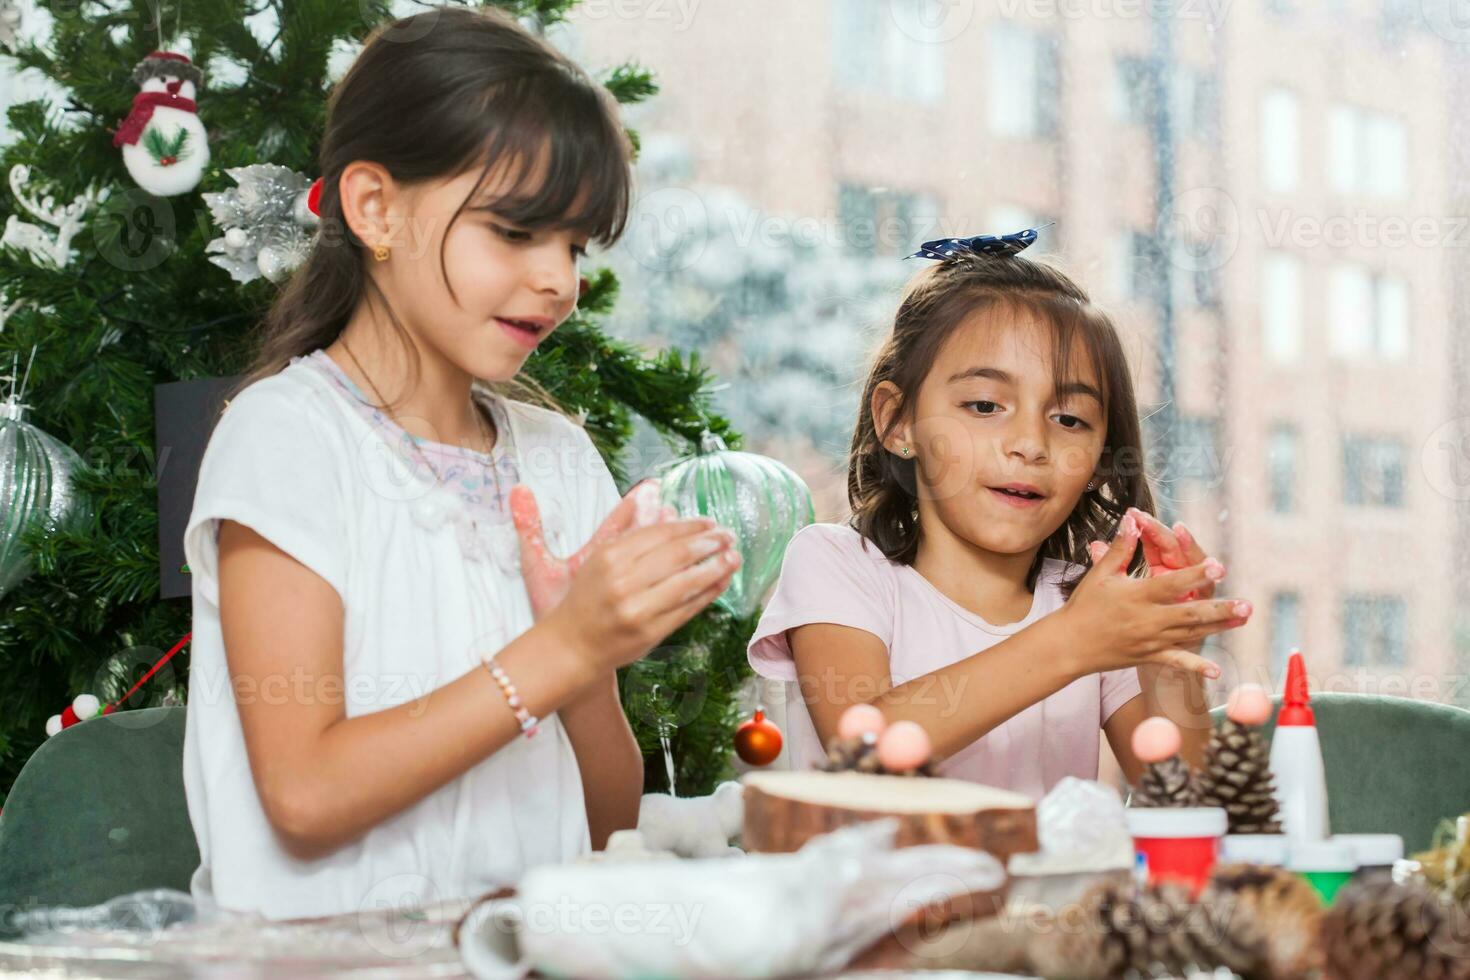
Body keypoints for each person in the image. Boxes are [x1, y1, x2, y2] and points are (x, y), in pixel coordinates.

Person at [182, 6, 740, 919]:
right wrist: (557, 651)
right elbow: (305, 798)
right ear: (374, 208)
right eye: (517, 233)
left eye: (575, 244)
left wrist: (590, 669)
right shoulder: (286, 438)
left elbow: (603, 824)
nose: (560, 279)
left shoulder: (556, 464)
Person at [748, 230, 1251, 799]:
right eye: (985, 406)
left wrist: (1167, 660)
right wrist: (1074, 642)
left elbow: (1185, 808)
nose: (1030, 443)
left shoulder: (1087, 606)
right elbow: (863, 751)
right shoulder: (839, 566)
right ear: (897, 422)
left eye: (1069, 420)